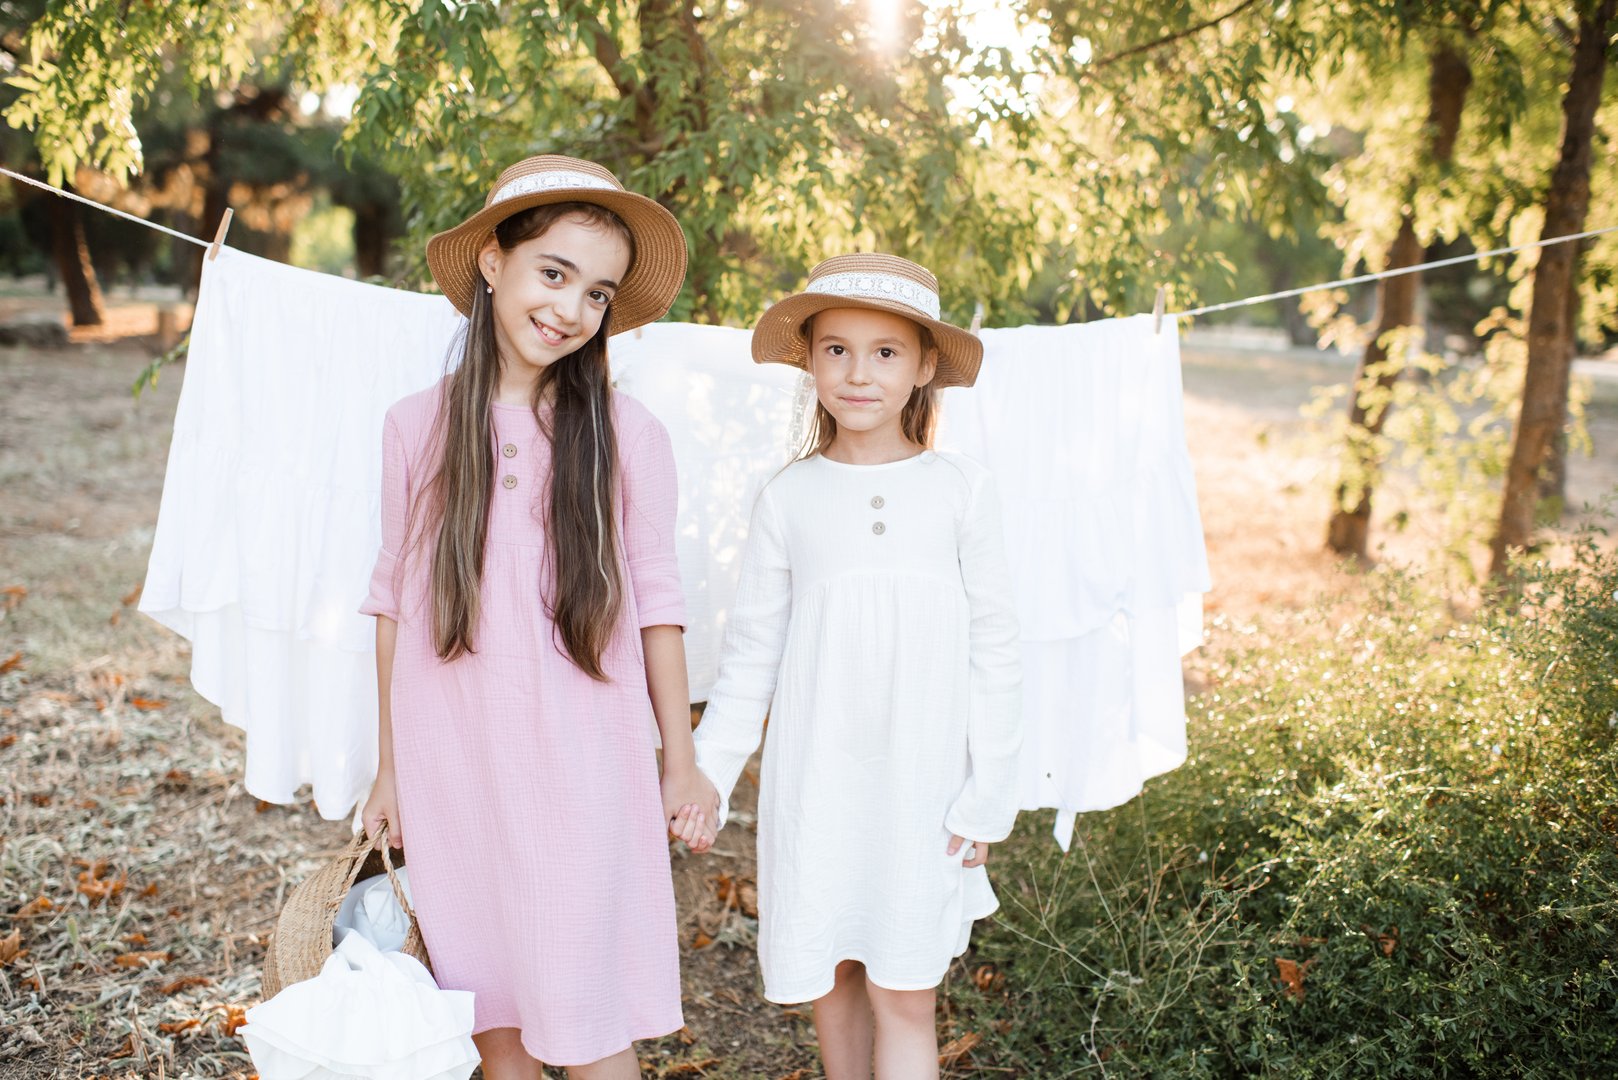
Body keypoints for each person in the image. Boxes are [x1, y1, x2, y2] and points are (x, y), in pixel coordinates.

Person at [359, 154, 718, 1080]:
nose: (570, 308)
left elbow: (659, 605)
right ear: (491, 263)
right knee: (492, 1016)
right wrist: (391, 768)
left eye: (596, 294)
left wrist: (679, 758)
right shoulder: (414, 426)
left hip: (585, 761)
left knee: (590, 1014)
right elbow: (394, 605)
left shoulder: (627, 435)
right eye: (552, 273)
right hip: (455, 761)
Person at [688, 253, 1022, 1078]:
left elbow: (999, 650)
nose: (858, 372)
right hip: (818, 781)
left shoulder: (961, 491)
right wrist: (707, 775)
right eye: (836, 349)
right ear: (809, 360)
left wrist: (988, 794)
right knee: (832, 975)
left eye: (884, 352)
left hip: (925, 786)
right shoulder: (789, 497)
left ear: (924, 367)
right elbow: (751, 659)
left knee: (904, 990)